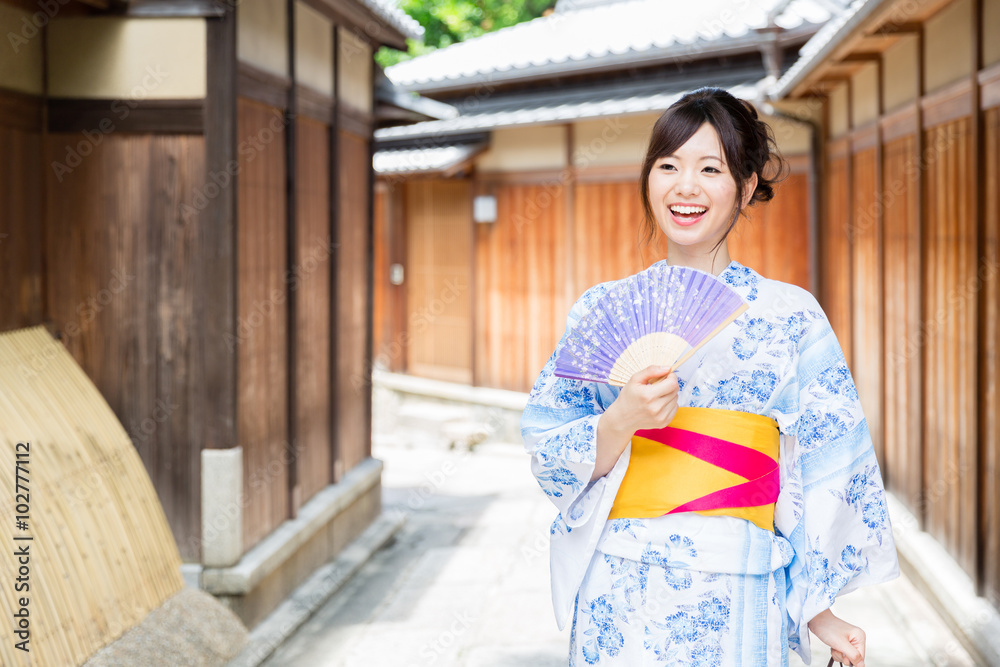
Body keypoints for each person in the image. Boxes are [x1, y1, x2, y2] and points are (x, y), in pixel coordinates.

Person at [521, 87, 899, 666]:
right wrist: (621, 419)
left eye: (709, 168)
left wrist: (817, 610)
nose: (685, 186)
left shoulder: (791, 317)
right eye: (667, 165)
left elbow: (818, 470)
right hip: (620, 590)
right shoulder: (603, 310)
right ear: (648, 178)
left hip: (741, 581)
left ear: (746, 187)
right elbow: (550, 451)